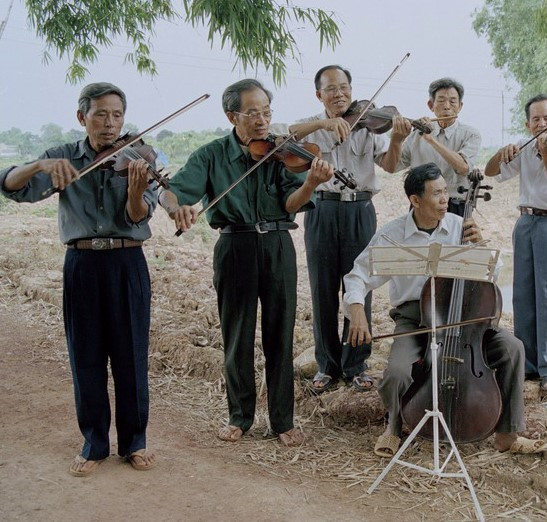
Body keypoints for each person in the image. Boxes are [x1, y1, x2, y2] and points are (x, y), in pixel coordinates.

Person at [160, 79, 334, 446]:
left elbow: (291, 203)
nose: (262, 121)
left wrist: (311, 184)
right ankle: (239, 416)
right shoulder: (210, 155)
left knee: (280, 334)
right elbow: (173, 191)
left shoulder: (282, 152)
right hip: (234, 244)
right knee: (237, 334)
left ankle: (282, 420)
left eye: (267, 112)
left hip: (277, 243)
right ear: (231, 116)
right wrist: (177, 208)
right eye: (252, 112)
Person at [0, 82, 158, 476]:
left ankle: (135, 442)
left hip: (127, 261)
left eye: (117, 115)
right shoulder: (63, 157)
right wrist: (38, 166)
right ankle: (94, 444)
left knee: (131, 356)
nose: (110, 124)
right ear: (81, 116)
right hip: (82, 263)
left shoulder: (138, 157)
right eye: (101, 114)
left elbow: (139, 216)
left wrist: (136, 192)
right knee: (85, 356)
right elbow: (9, 186)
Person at [343, 162, 547, 457]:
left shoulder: (458, 225)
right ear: (415, 200)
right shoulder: (392, 234)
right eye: (436, 193)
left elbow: (492, 276)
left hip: (462, 316)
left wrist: (481, 248)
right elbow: (358, 275)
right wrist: (357, 308)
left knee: (512, 348)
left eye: (445, 191)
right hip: (414, 318)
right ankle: (394, 427)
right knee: (397, 373)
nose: (444, 199)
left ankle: (507, 434)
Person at [288, 65, 403, 394]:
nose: (339, 94)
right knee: (322, 288)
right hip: (322, 208)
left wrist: (396, 137)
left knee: (360, 287)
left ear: (352, 90)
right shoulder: (312, 126)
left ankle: (356, 363)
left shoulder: (369, 125)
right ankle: (327, 364)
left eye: (344, 88)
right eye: (331, 89)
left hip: (360, 210)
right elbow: (286, 135)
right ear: (319, 95)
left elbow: (392, 165)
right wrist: (325, 123)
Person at [484, 94, 547, 397]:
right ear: (528, 124)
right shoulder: (525, 148)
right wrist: (502, 153)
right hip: (526, 223)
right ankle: (527, 363)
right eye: (536, 119)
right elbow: (490, 172)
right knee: (524, 295)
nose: (542, 124)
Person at [390, 77, 482, 216]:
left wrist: (430, 139)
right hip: (422, 206)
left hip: (455, 207)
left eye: (452, 101)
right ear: (430, 105)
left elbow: (463, 167)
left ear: (460, 106)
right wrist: (397, 139)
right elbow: (394, 166)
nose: (446, 106)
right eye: (441, 101)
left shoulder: (471, 134)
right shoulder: (416, 135)